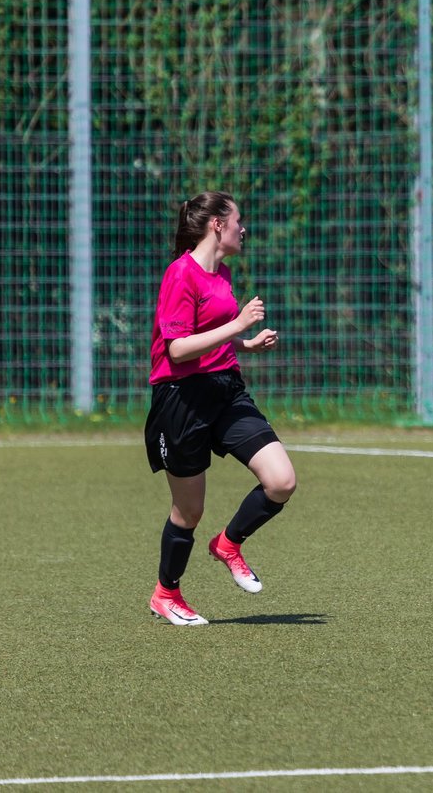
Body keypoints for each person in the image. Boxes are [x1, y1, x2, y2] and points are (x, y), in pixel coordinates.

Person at [144, 191, 297, 625]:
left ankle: (229, 544)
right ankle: (166, 593)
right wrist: (239, 324)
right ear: (216, 224)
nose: (242, 228)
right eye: (237, 221)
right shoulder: (180, 275)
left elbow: (211, 335)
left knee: (281, 481)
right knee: (189, 512)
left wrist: (245, 343)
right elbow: (177, 349)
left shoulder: (223, 273)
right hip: (182, 400)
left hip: (226, 390)